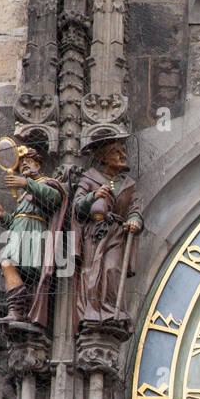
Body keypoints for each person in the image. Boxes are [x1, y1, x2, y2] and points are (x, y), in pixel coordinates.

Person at [0, 147, 69, 325]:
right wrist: (3, 216)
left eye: (28, 163)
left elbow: (55, 198)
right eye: (22, 164)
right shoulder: (25, 195)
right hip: (20, 235)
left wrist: (25, 183)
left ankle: (19, 309)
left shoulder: (47, 183)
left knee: (9, 262)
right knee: (8, 263)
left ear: (38, 165)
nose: (24, 166)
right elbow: (18, 221)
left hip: (34, 235)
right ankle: (18, 310)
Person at [73, 134, 143, 328]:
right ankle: (91, 311)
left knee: (112, 269)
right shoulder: (89, 178)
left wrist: (134, 220)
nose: (122, 155)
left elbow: (134, 208)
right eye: (116, 152)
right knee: (92, 271)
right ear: (104, 157)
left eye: (123, 151)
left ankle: (112, 310)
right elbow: (77, 206)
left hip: (117, 233)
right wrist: (93, 196)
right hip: (95, 233)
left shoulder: (128, 184)